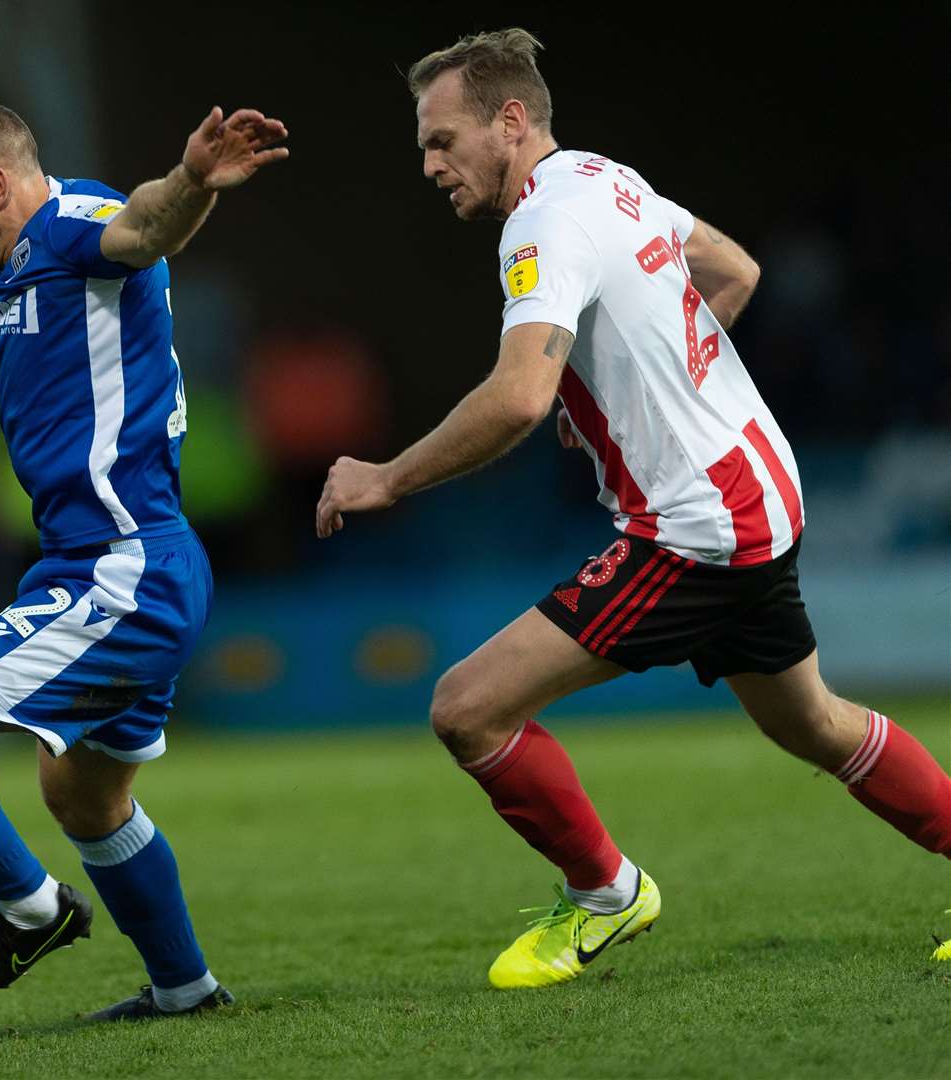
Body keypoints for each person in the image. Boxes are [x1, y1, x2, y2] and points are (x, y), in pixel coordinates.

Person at [314, 28, 951, 987]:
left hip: (695, 525)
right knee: (808, 724)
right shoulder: (606, 179)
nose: (429, 165)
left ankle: (606, 895)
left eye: (442, 140)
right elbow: (733, 272)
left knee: (466, 709)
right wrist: (641, 387)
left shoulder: (541, 224)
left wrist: (388, 476)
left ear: (511, 121)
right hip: (759, 489)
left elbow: (518, 396)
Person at [0, 98, 285, 1019]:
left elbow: (142, 226)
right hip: (128, 566)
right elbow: (14, 258)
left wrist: (194, 182)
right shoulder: (24, 249)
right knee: (84, 799)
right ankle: (184, 991)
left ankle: (31, 908)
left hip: (119, 573)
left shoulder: (82, 223)